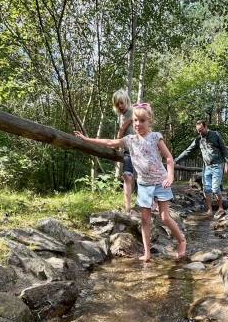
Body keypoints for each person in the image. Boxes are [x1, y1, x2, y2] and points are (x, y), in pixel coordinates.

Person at [75, 103, 187, 262]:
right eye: (135, 120)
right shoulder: (129, 140)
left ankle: (181, 240)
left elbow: (169, 158)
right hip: (144, 185)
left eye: (142, 120)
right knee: (145, 219)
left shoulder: (156, 137)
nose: (138, 124)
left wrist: (170, 177)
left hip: (161, 182)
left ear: (150, 122)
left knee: (164, 218)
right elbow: (109, 142)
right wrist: (87, 139)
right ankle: (147, 252)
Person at [174, 120, 228, 217]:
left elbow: (224, 149)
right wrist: (176, 160)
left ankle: (220, 207)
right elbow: (188, 151)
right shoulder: (198, 140)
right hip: (206, 168)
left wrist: (227, 163)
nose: (200, 132)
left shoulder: (215, 135)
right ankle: (210, 210)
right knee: (207, 189)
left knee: (215, 188)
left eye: (201, 130)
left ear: (206, 127)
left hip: (217, 166)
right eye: (198, 131)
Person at [112, 90, 135, 213]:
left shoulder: (131, 112)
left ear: (126, 101)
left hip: (139, 149)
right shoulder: (122, 116)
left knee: (146, 176)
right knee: (126, 175)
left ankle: (153, 201)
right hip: (128, 150)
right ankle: (127, 206)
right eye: (117, 104)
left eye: (121, 103)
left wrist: (114, 146)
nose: (120, 106)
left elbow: (121, 131)